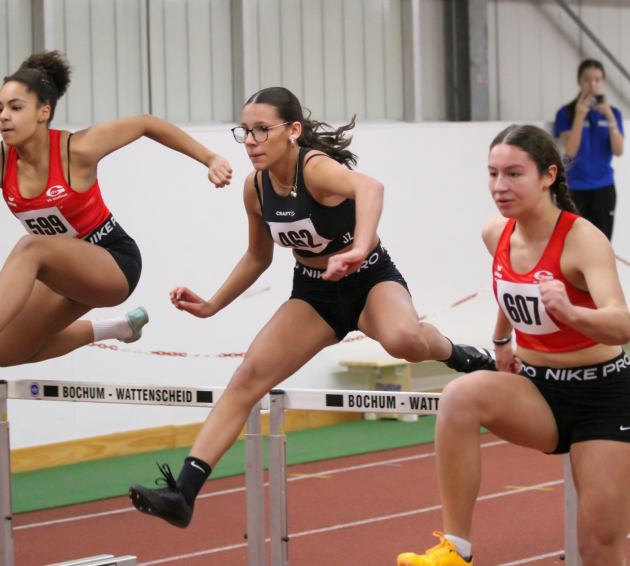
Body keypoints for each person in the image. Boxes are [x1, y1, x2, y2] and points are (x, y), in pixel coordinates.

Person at [127, 86, 495, 528]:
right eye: (244, 132)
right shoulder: (256, 188)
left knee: (405, 340)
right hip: (314, 294)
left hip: (369, 279)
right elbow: (258, 257)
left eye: (262, 130)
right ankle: (183, 493)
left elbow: (371, 187)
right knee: (247, 377)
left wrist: (359, 248)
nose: (251, 141)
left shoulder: (315, 169)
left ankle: (456, 354)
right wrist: (211, 306)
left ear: (293, 131)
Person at [0, 51, 232, 392]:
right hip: (65, 272)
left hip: (113, 264)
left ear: (44, 112)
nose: (3, 117)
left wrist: (210, 157)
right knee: (5, 352)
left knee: (30, 248)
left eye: (15, 107)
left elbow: (147, 124)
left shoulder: (78, 149)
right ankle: (120, 327)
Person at [398, 125, 630, 566]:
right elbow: (511, 284)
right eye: (492, 174)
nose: (499, 187)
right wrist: (501, 339)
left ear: (548, 176)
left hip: (601, 396)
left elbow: (621, 325)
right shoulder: (496, 233)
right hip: (536, 388)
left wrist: (573, 313)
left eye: (513, 174)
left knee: (598, 547)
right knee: (458, 397)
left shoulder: (583, 240)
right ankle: (457, 549)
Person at [554, 59, 624, 241]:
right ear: (579, 82)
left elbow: (619, 150)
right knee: (572, 242)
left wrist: (609, 116)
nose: (592, 85)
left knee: (601, 242)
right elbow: (570, 151)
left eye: (597, 80)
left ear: (602, 82)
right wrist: (580, 115)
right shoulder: (565, 113)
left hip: (602, 186)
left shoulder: (613, 113)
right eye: (587, 80)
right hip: (574, 187)